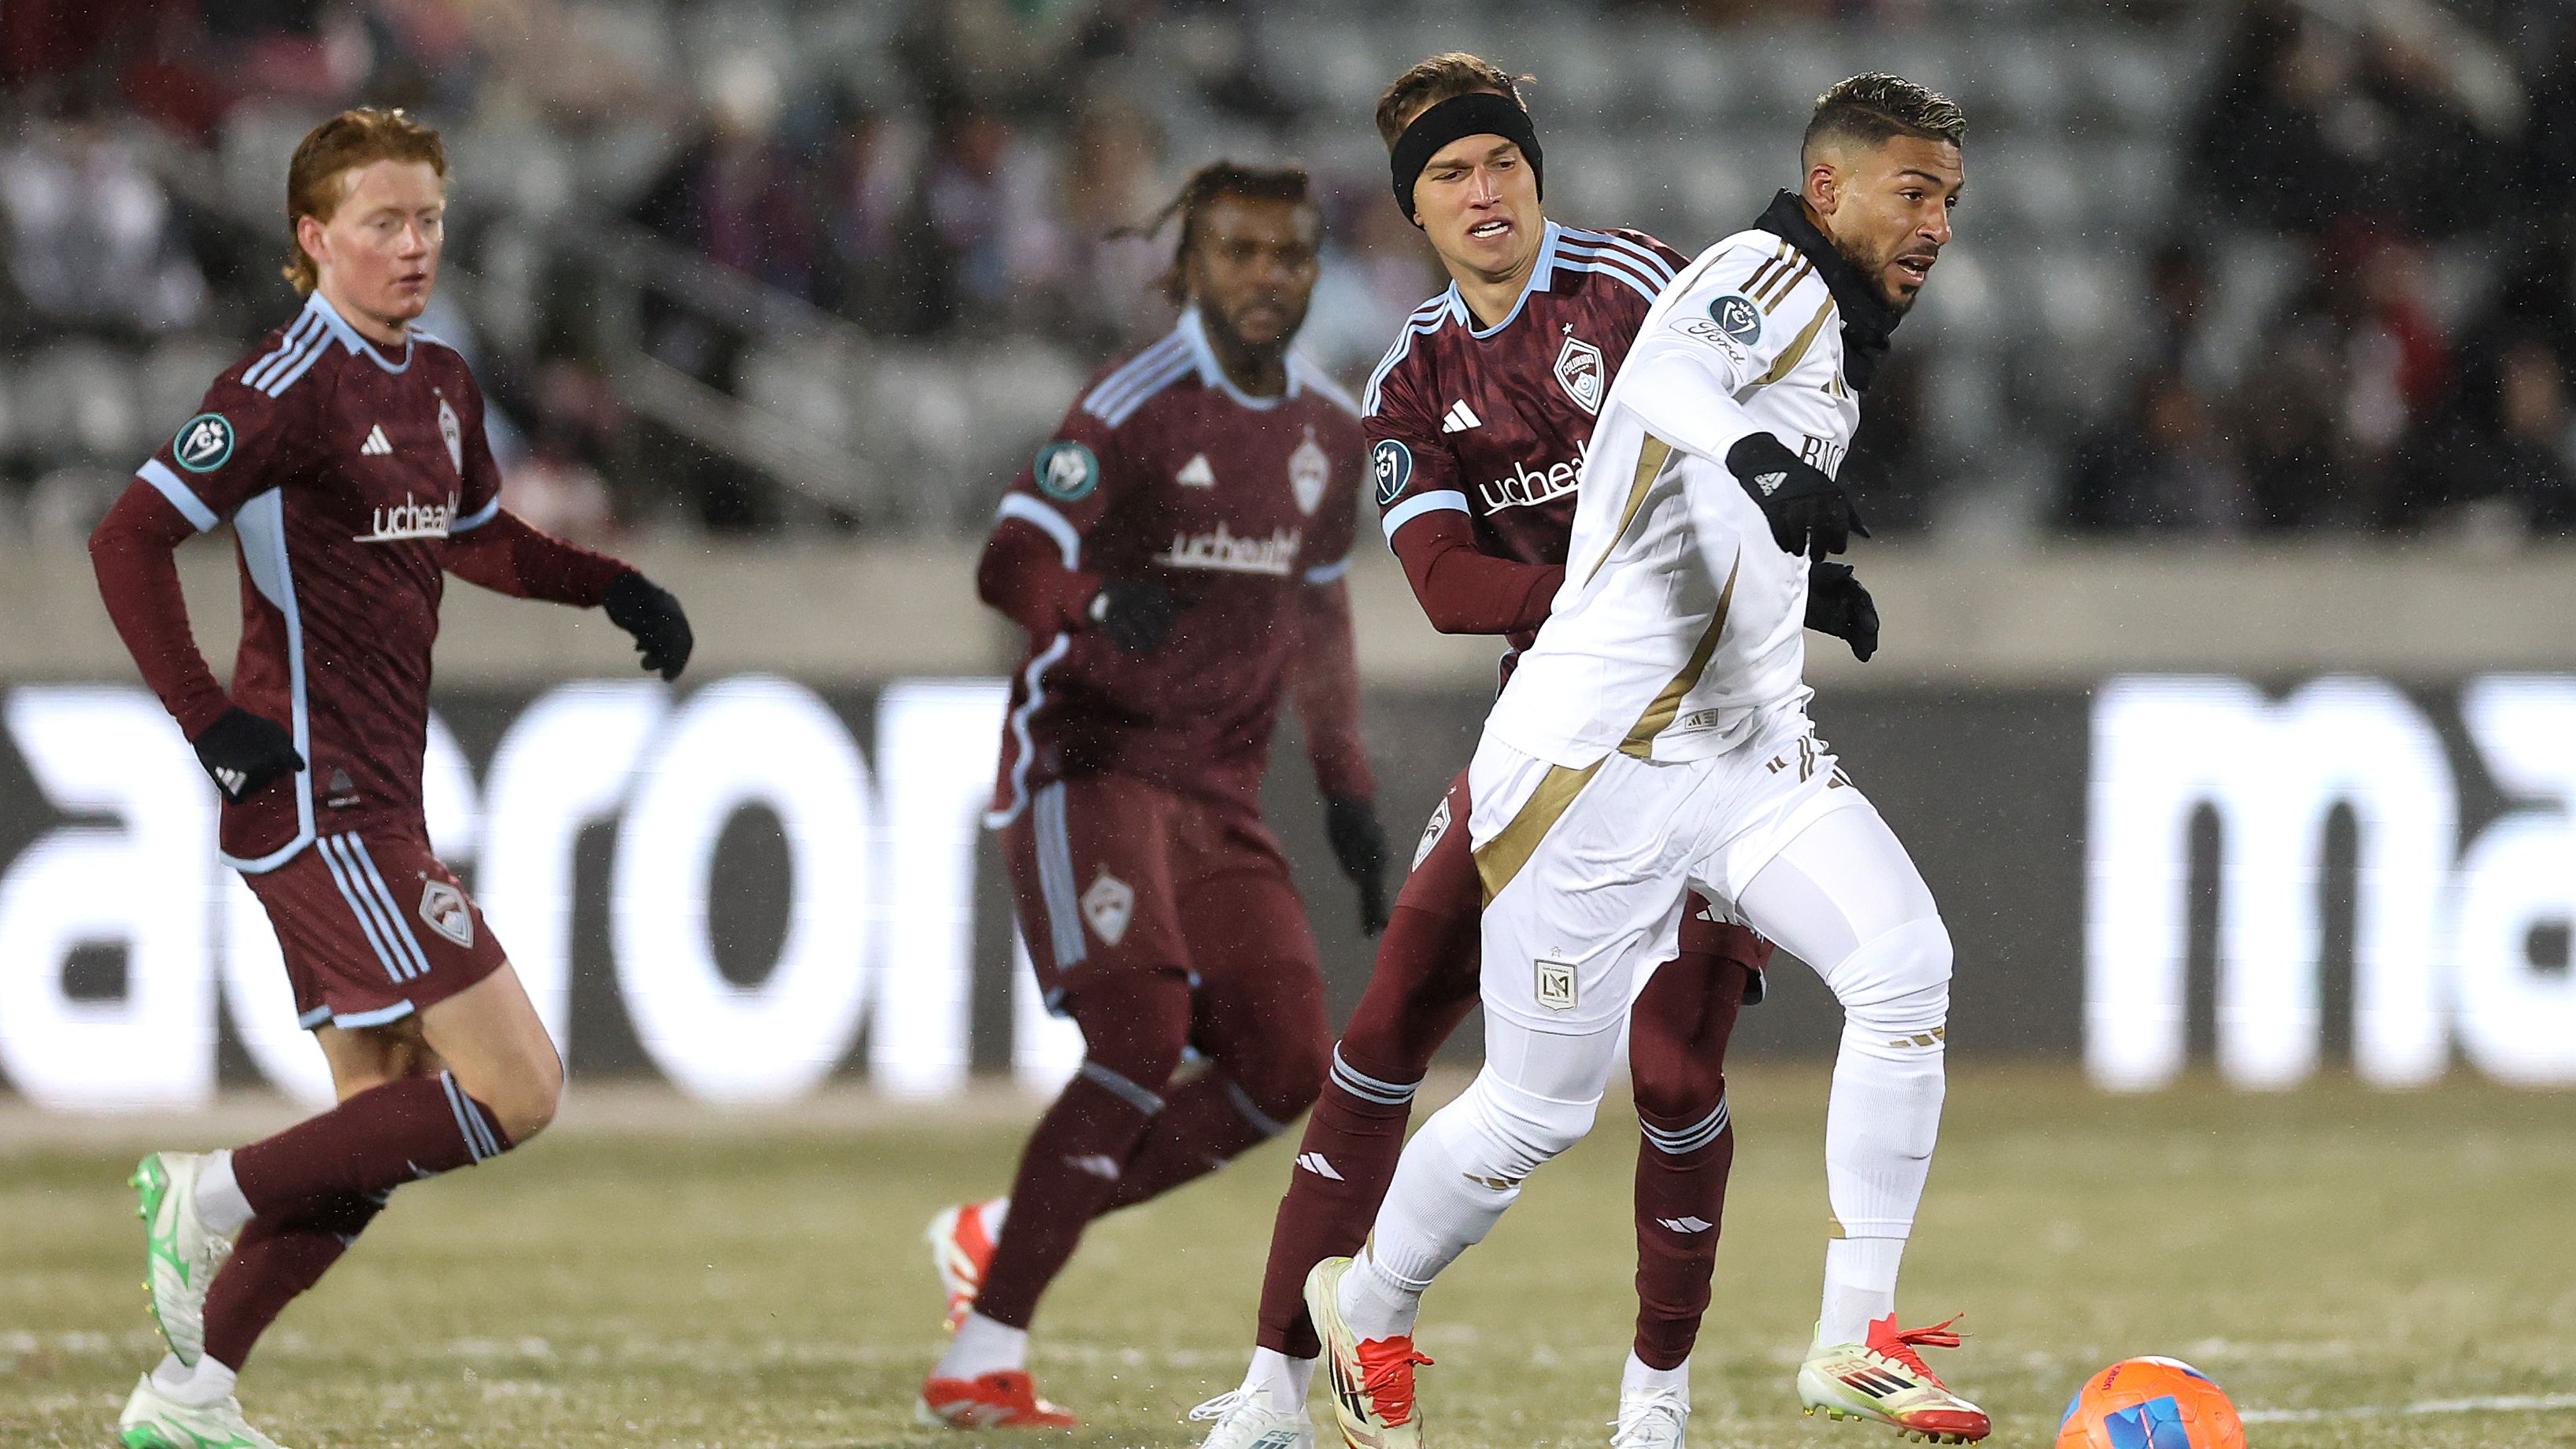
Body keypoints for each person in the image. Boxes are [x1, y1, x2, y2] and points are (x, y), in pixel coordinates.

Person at [1191, 53, 1879, 1449]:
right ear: (1413, 213)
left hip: (1706, 736)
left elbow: (1772, 425)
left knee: (1678, 1081)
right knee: (1381, 1034)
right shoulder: (1409, 379)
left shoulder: (1641, 289)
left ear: (1537, 174)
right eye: (1449, 176)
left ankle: (1655, 1407)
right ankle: (1273, 1389)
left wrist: (1794, 579)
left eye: (1500, 162)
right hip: (1547, 743)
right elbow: (1443, 584)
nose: (1482, 191)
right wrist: (1612, 608)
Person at [86, 109, 693, 1449]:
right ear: (314, 240)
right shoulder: (279, 385)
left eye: (428, 219)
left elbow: (475, 540)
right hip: (315, 800)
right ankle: (206, 1194)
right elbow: (125, 540)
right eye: (382, 222)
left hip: (377, 797)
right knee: (517, 1087)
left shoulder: (439, 381)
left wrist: (613, 586)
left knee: (381, 1129)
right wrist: (206, 720)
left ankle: (188, 1396)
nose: (412, 246)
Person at [917, 161, 1388, 1429]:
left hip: (1217, 795)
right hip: (1089, 765)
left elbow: (1321, 609)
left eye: (1287, 256)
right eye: (1237, 253)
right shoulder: (1132, 403)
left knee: (1287, 1057)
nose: (1264, 278)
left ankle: (1003, 1230)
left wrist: (1345, 790)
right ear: (1190, 263)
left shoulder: (1329, 433)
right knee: (1137, 1032)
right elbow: (1007, 558)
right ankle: (982, 1353)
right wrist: (1088, 600)